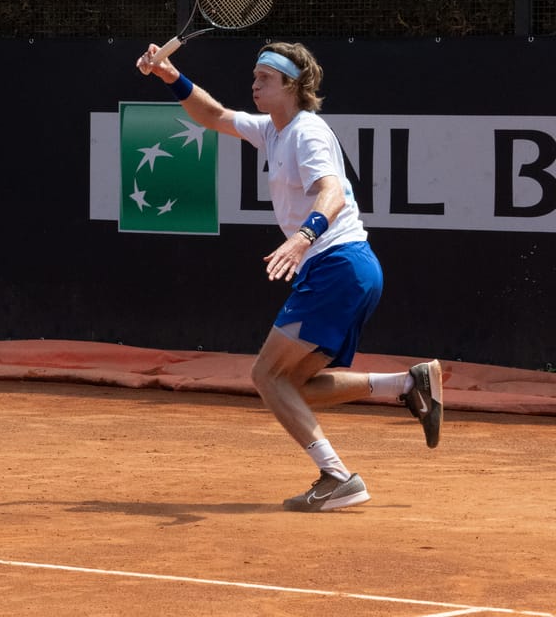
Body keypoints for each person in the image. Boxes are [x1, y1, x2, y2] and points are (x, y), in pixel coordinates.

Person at [136, 40, 443, 512]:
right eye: (254, 77)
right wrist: (169, 75)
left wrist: (302, 237)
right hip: (348, 268)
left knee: (266, 375)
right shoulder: (274, 130)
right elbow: (215, 116)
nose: (254, 85)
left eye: (264, 79)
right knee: (290, 387)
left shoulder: (307, 133)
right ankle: (407, 384)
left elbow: (332, 192)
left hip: (336, 264)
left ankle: (337, 475)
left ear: (292, 86)